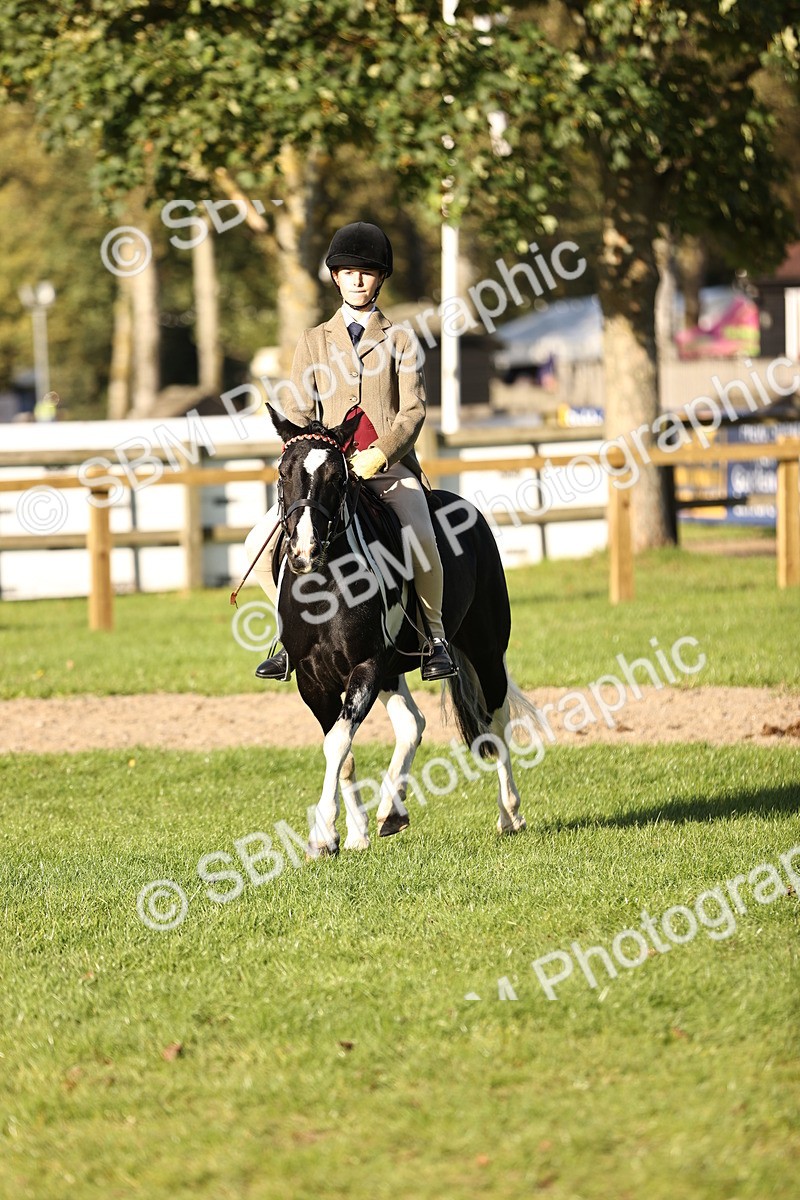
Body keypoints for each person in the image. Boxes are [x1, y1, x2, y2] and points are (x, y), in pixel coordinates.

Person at [245, 220, 457, 683]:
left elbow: (414, 411)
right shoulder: (313, 341)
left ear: (380, 278)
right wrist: (307, 455)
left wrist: (379, 454)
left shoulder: (401, 339)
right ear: (336, 277)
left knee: (422, 536)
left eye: (366, 272)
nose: (357, 280)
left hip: (387, 470)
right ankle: (287, 635)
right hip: (327, 476)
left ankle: (435, 640)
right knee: (255, 549)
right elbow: (299, 408)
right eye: (347, 272)